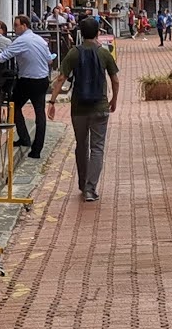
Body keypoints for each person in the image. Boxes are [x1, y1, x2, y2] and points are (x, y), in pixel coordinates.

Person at [48, 14, 120, 200]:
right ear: (97, 33)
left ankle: (82, 183)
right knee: (97, 147)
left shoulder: (74, 52)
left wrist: (53, 102)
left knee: (81, 145)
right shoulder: (104, 53)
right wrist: (114, 100)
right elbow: (115, 80)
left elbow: (61, 78)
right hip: (100, 106)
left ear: (80, 32)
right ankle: (90, 188)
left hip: (79, 107)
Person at [0, 13, 54, 158]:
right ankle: (36, 149)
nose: (14, 28)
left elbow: (3, 56)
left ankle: (24, 138)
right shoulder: (40, 39)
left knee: (13, 106)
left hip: (28, 80)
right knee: (39, 113)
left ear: (24, 25)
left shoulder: (21, 40)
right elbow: (49, 60)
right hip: (42, 79)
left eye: (16, 25)